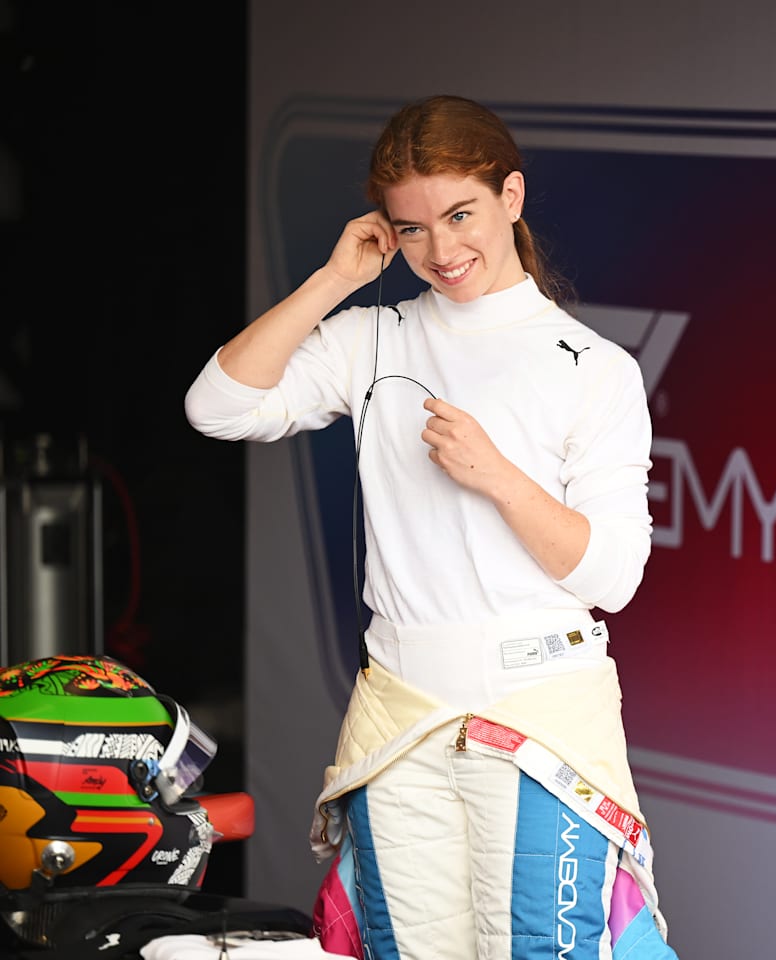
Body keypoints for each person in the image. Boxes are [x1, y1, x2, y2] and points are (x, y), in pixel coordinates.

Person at [185, 95, 677, 960]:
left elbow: (613, 580)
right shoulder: (373, 336)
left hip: (541, 720)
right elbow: (218, 407)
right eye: (412, 230)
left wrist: (496, 477)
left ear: (511, 197)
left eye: (461, 215)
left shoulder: (595, 369)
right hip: (402, 712)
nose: (442, 252)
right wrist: (337, 277)